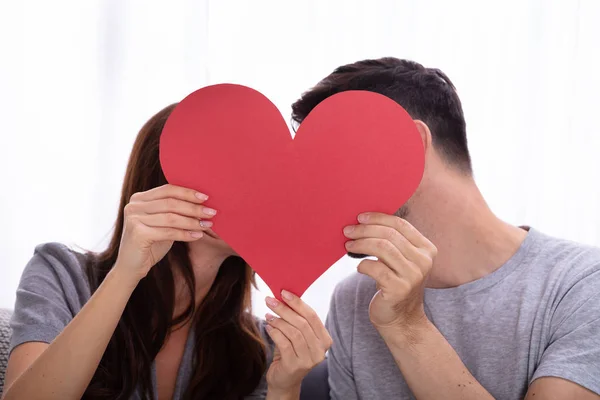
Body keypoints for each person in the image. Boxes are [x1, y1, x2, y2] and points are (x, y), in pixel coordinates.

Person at [291, 58, 600, 400]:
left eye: (327, 161)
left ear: (407, 145)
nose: (313, 192)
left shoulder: (584, 286)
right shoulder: (354, 299)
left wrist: (407, 327)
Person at [3, 104, 332, 400]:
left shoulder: (259, 346)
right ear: (166, 183)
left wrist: (285, 389)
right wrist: (125, 274)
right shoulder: (61, 275)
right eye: (240, 174)